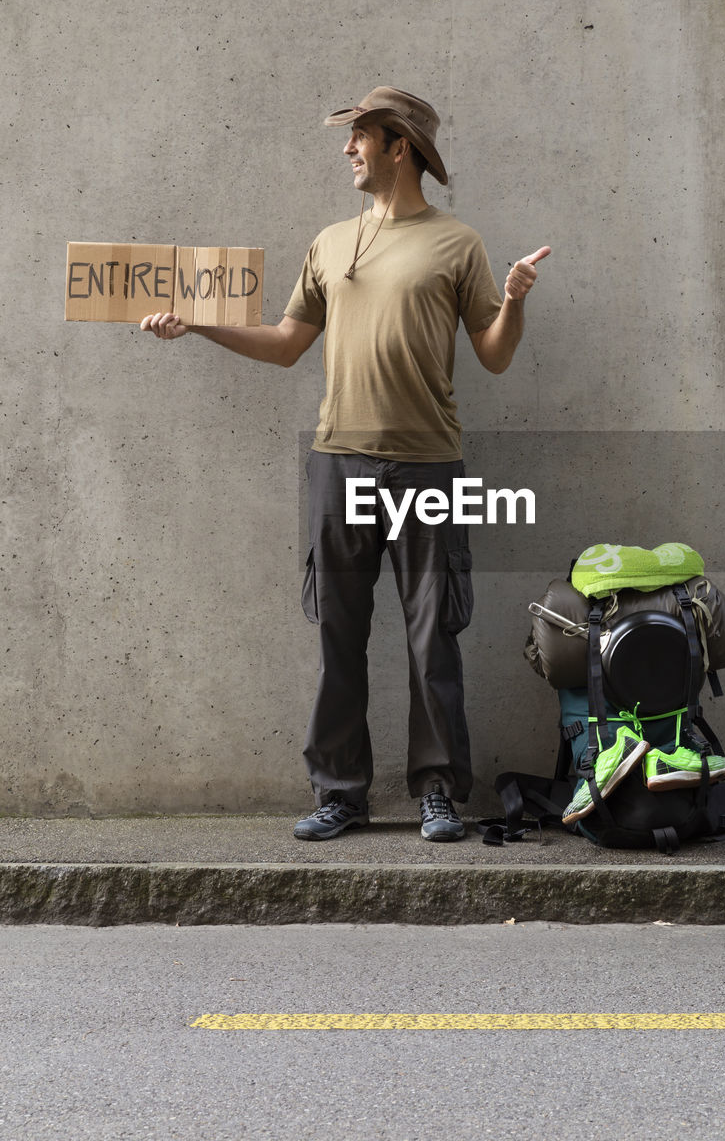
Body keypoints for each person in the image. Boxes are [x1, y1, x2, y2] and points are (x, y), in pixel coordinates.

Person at [141, 85, 550, 842]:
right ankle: (340, 792)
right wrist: (195, 325)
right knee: (338, 632)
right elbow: (287, 342)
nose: (346, 149)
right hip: (339, 464)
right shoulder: (330, 242)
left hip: (429, 467)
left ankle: (436, 792)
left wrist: (516, 300)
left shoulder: (456, 243)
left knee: (433, 638)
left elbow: (492, 357)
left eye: (358, 136)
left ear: (400, 145)